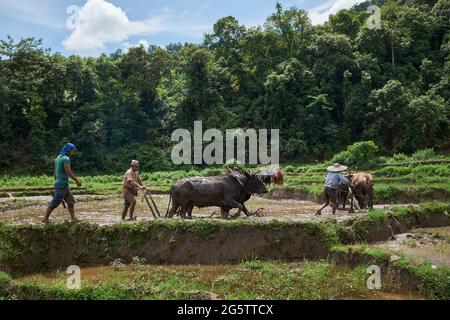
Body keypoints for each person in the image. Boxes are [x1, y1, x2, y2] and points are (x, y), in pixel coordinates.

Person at [42, 143, 82, 224]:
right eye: (73, 150)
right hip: (62, 184)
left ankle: (73, 218)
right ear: (69, 150)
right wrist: (76, 180)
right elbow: (68, 171)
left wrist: (56, 182)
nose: (74, 151)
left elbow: (55, 173)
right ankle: (45, 218)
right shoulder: (66, 158)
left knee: (70, 201)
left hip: (62, 184)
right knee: (55, 202)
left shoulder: (58, 157)